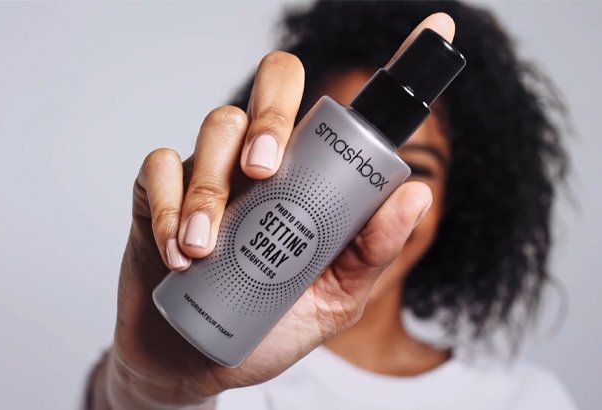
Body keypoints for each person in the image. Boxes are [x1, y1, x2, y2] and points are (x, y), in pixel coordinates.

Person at [86, 1, 577, 409]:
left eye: (418, 170)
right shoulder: (224, 386)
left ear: (462, 201)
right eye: (334, 169)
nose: (367, 205)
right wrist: (151, 391)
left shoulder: (527, 399)